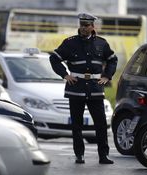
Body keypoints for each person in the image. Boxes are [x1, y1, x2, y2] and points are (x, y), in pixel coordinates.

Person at [49, 12, 117, 164]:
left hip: (95, 89)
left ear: (93, 26)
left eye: (87, 25)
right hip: (76, 88)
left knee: (100, 124)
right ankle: (79, 154)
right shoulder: (69, 42)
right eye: (81, 25)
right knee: (77, 125)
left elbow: (112, 60)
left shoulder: (101, 43)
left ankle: (103, 156)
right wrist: (65, 75)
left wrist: (107, 76)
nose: (84, 28)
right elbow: (54, 58)